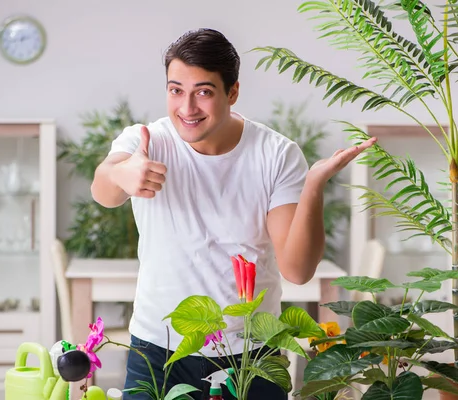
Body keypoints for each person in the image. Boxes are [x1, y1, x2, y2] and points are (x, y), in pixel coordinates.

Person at [90, 28, 376, 400]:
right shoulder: (147, 141)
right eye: (176, 90)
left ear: (233, 92)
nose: (187, 108)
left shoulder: (276, 154)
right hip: (158, 350)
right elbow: (103, 190)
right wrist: (121, 174)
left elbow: (297, 270)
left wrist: (313, 186)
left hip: (252, 353)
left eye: (203, 92)